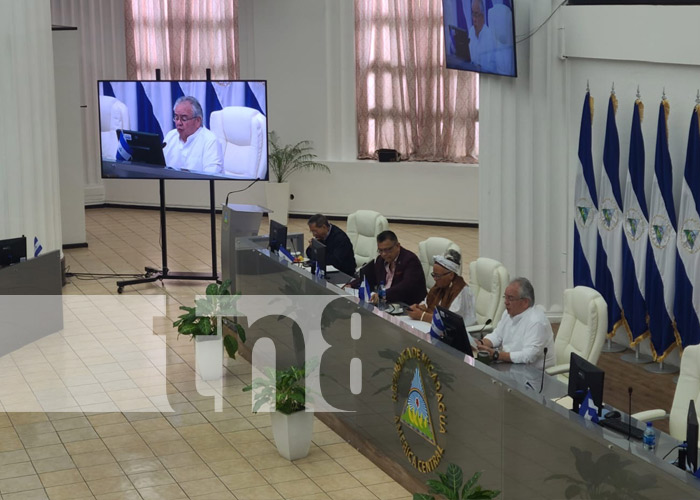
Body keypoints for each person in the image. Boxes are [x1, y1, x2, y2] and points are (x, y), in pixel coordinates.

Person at [476, 277, 556, 366]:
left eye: (510, 298)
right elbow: (497, 336)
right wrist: (481, 343)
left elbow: (529, 356)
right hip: (510, 366)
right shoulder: (508, 313)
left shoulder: (537, 322)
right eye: (505, 297)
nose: (506, 302)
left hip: (533, 375)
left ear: (525, 302)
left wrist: (497, 355)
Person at [405, 249, 476, 327]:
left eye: (438, 276)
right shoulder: (439, 285)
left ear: (451, 275)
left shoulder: (460, 291)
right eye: (434, 275)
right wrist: (418, 308)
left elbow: (450, 321)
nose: (435, 279)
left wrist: (422, 316)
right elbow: (427, 303)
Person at [361, 231, 426, 305]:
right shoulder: (381, 259)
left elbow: (406, 286)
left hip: (406, 305)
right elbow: (371, 277)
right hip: (385, 303)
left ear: (397, 246)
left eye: (388, 250)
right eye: (380, 250)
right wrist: (351, 284)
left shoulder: (410, 260)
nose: (384, 254)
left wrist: (383, 294)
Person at [163, 96, 223, 175]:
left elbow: (211, 177)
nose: (178, 123)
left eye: (184, 119)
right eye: (176, 118)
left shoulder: (210, 141)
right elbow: (160, 168)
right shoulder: (170, 136)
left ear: (198, 121)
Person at [468, 0, 498, 72]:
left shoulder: (489, 36)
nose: (474, 19)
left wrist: (479, 68)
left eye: (476, 14)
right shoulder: (471, 31)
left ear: (482, 16)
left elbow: (492, 68)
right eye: (473, 14)